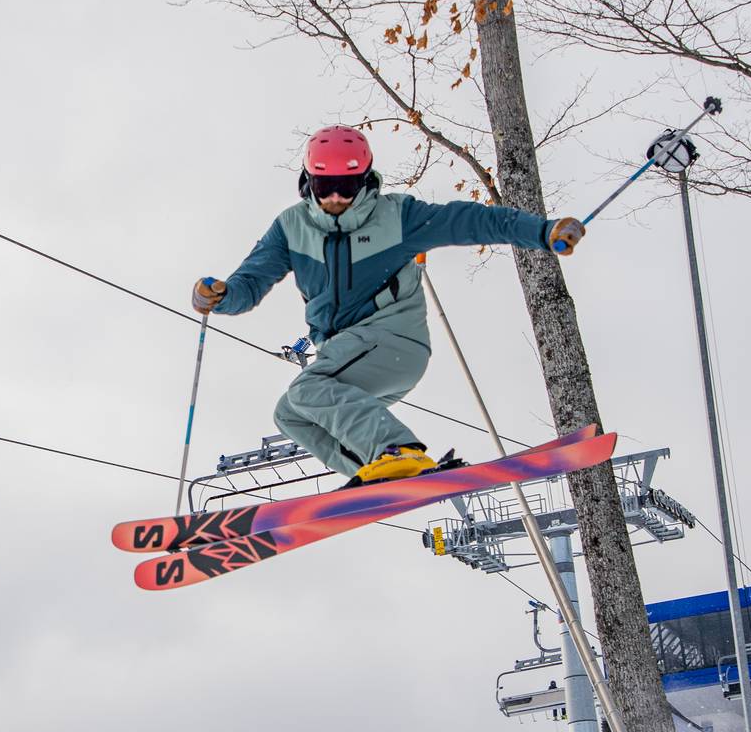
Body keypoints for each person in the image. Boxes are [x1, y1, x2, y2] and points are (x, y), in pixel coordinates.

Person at [192, 125, 586, 487]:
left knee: (307, 388)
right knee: (291, 414)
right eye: (325, 185)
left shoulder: (397, 216)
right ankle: (382, 475)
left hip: (394, 340)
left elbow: (473, 221)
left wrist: (541, 231)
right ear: (308, 182)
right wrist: (221, 297)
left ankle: (396, 451)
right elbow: (251, 281)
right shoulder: (290, 227)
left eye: (346, 187)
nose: (335, 198)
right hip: (346, 353)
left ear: (364, 180)